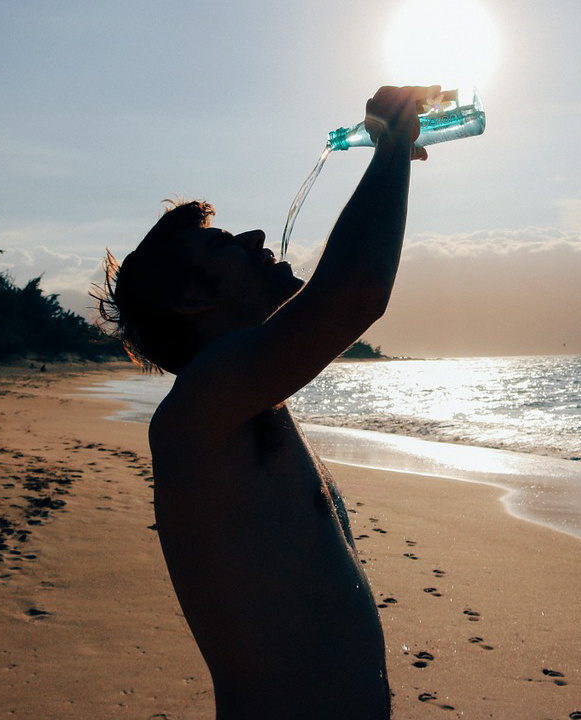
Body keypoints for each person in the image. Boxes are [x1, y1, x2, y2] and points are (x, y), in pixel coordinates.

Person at [95, 85, 438, 719]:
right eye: (222, 243)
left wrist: (391, 157)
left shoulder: (245, 404)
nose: (255, 234)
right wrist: (389, 148)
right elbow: (353, 293)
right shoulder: (199, 409)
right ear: (193, 299)